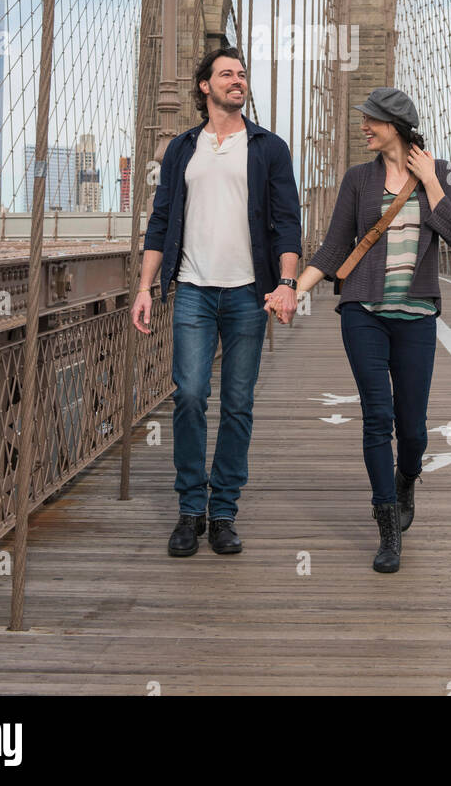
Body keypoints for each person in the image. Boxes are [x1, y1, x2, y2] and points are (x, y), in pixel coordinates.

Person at [132, 47, 301, 557]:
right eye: (226, 74)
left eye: (242, 74)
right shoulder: (182, 149)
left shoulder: (269, 148)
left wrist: (287, 283)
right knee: (187, 395)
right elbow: (161, 221)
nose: (237, 80)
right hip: (193, 291)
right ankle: (190, 509)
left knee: (238, 403)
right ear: (203, 86)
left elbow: (288, 221)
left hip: (250, 293)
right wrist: (145, 287)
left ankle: (223, 510)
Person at [295, 87, 451, 573]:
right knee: (377, 418)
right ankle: (387, 526)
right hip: (363, 311)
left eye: (371, 120)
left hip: (415, 315)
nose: (364, 128)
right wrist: (294, 291)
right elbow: (333, 249)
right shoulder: (357, 180)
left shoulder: (443, 172)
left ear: (396, 125)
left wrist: (431, 180)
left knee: (412, 428)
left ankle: (407, 475)